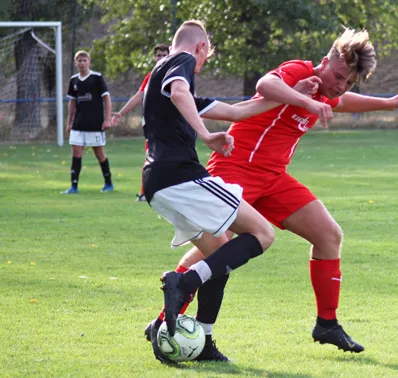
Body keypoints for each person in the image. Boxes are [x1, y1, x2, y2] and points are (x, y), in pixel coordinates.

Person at [147, 26, 398, 362]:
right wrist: (306, 100)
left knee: (329, 235)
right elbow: (265, 86)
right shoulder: (300, 71)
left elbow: (340, 101)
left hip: (274, 178)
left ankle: (327, 323)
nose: (340, 85)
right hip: (235, 168)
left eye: (347, 81)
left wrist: (387, 104)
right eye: (339, 75)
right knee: (217, 249)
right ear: (325, 60)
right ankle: (162, 320)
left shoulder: (329, 90)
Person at [141, 19, 322, 364]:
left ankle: (205, 341)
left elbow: (241, 111)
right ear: (201, 48)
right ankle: (183, 283)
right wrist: (207, 136)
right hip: (181, 177)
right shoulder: (180, 61)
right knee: (263, 233)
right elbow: (179, 92)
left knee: (220, 255)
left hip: (158, 185)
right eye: (206, 56)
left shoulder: (169, 80)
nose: (203, 63)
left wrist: (296, 93)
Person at [111, 44, 170, 202]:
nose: (161, 58)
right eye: (158, 55)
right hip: (153, 126)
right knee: (151, 157)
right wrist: (121, 113)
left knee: (172, 157)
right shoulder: (151, 76)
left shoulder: (175, 74)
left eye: (164, 55)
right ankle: (146, 192)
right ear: (154, 57)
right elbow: (139, 96)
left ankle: (167, 191)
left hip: (172, 125)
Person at [62, 51, 114, 194]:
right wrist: (69, 122)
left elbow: (107, 98)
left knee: (99, 154)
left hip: (95, 124)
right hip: (78, 124)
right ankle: (74, 186)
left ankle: (108, 183)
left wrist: (107, 119)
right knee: (76, 154)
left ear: (89, 62)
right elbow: (72, 102)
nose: (82, 63)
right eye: (79, 60)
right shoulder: (74, 80)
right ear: (75, 63)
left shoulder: (97, 78)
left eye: (85, 60)